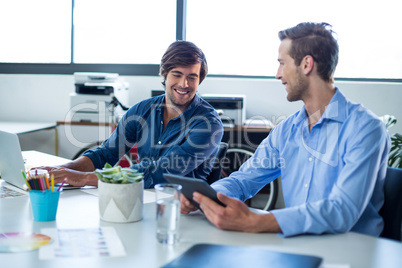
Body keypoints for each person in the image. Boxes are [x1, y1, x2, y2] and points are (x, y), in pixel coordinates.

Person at [181, 22, 390, 237]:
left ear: (307, 64)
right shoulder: (287, 130)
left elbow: (342, 210)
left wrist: (257, 221)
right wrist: (204, 196)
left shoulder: (365, 129)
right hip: (298, 244)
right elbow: (244, 179)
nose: (278, 74)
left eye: (282, 63)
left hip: (352, 251)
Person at [40, 41, 223, 189]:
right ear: (165, 74)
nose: (184, 83)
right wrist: (60, 170)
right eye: (177, 74)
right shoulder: (142, 110)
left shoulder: (208, 123)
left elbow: (161, 171)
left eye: (192, 77)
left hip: (184, 210)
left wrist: (85, 179)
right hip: (141, 198)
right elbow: (105, 154)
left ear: (200, 80)